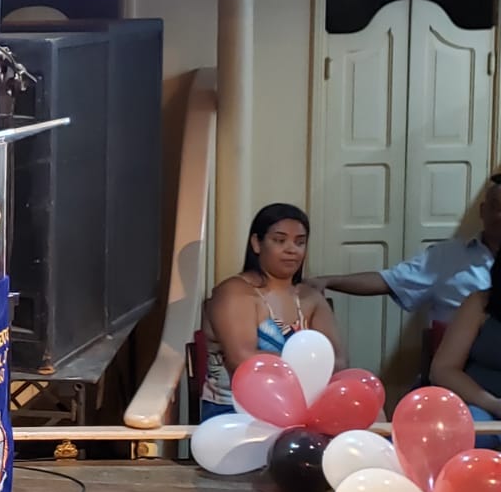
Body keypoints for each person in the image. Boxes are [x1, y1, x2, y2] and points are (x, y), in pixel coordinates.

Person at [201, 203, 347, 419]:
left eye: (300, 242)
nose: (292, 249)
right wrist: (309, 365)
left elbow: (339, 362)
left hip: (306, 410)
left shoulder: (311, 298)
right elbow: (242, 360)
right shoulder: (234, 292)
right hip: (235, 413)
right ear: (256, 243)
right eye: (279, 240)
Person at [308, 174, 500, 327]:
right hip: (460, 357)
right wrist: (328, 281)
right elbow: (389, 280)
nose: (500, 216)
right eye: (495, 207)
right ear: (482, 211)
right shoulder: (447, 256)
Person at [429, 247, 501, 449]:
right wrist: (494, 404)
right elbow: (443, 370)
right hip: (482, 405)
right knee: (465, 435)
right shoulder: (480, 302)